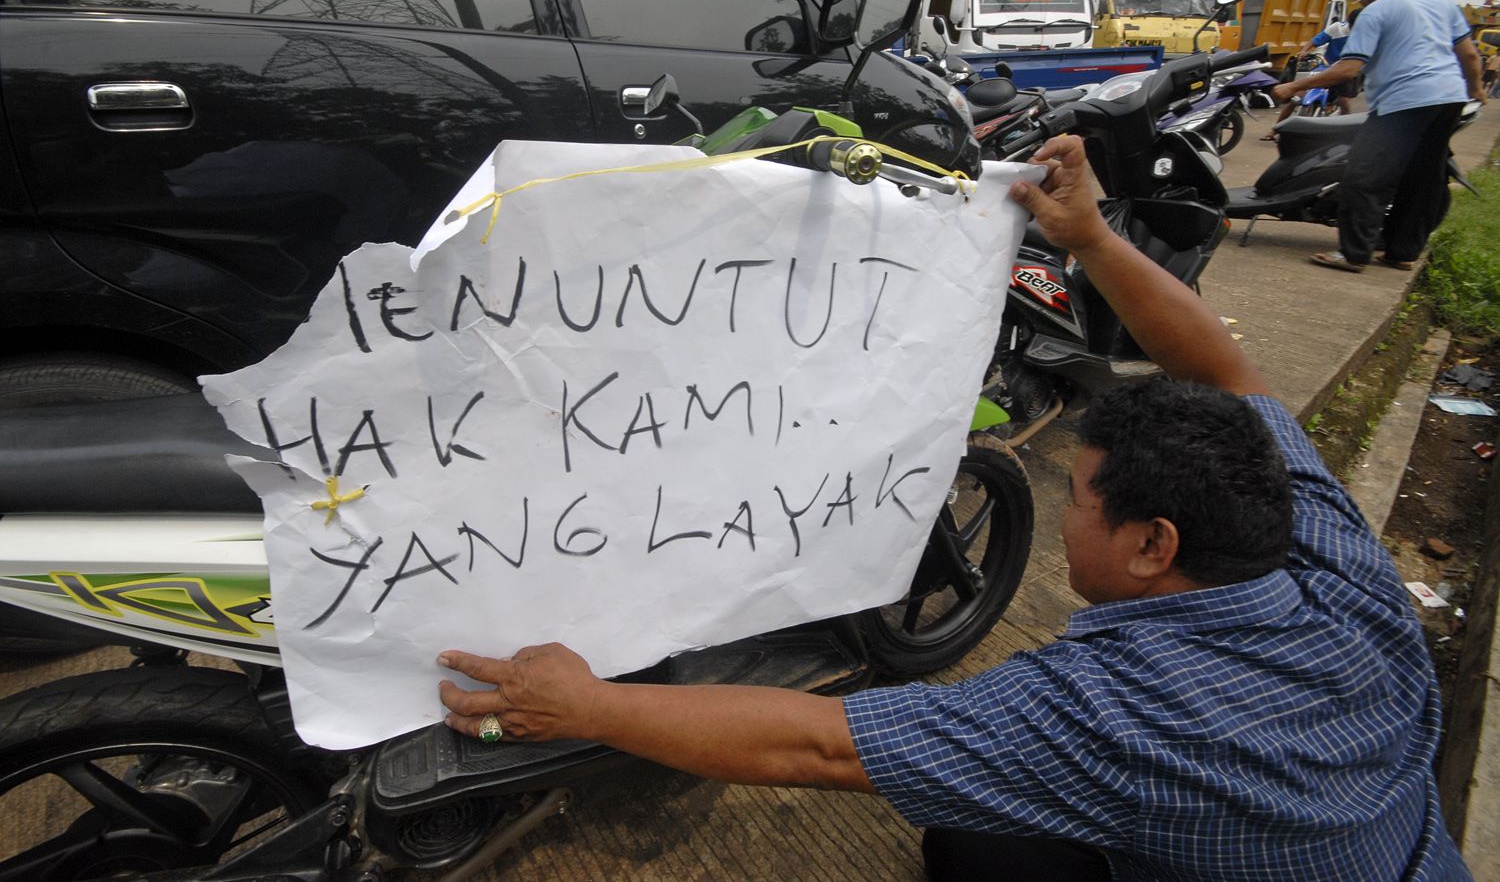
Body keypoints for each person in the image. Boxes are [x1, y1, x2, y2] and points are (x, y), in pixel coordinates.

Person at [436, 134, 1474, 882]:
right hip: (1420, 854)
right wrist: (1094, 239)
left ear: (1155, 544)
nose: (1065, 514)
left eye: (1080, 496)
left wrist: (585, 705)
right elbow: (1227, 364)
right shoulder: (1327, 548)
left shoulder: (1114, 716)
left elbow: (821, 746)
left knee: (974, 848)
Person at [1270, 0, 1485, 273]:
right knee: (1424, 178)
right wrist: (1476, 89)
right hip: (1449, 100)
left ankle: (1354, 253)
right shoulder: (1443, 5)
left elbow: (1348, 69)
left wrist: (1293, 86)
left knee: (1364, 175)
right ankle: (1402, 252)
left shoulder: (1376, 12)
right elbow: (1469, 56)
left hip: (1405, 101)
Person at [1260, 10, 1359, 139]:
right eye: (1352, 24)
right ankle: (1275, 130)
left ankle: (1347, 135)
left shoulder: (1365, 34)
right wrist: (1303, 51)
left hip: (1343, 72)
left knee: (1344, 102)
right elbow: (1315, 40)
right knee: (1296, 98)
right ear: (1347, 21)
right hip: (1325, 68)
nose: (1353, 27)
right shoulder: (1337, 28)